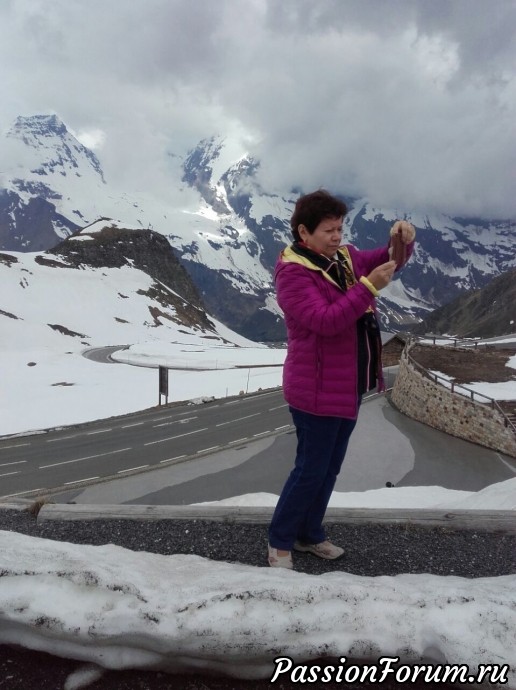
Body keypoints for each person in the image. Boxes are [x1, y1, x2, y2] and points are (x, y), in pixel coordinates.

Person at [268, 189, 416, 569]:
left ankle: (310, 533)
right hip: (314, 387)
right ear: (304, 232)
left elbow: (386, 260)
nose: (338, 237)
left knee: (329, 467)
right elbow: (325, 321)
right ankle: (280, 541)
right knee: (310, 469)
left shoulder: (343, 258)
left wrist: (400, 241)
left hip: (345, 384)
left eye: (340, 228)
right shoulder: (293, 273)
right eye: (329, 230)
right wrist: (367, 288)